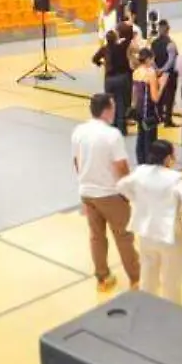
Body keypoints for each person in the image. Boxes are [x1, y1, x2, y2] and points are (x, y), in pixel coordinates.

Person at [72, 94, 140, 291]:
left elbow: (76, 161)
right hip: (110, 193)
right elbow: (121, 166)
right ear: (107, 110)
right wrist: (128, 191)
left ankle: (103, 277)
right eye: (113, 106)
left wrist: (83, 183)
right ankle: (136, 278)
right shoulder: (112, 135)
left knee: (96, 236)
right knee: (124, 236)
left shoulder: (79, 131)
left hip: (87, 192)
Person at [117, 139, 182, 305]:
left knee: (148, 276)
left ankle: (147, 310)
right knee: (171, 281)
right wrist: (179, 213)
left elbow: (121, 185)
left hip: (146, 233)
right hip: (170, 236)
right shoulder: (175, 177)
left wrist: (137, 200)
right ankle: (170, 315)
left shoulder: (141, 171)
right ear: (167, 158)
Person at [92, 27, 135, 137]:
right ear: (116, 38)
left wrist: (101, 64)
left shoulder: (104, 49)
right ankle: (122, 129)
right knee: (122, 103)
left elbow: (94, 59)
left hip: (109, 80)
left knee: (111, 103)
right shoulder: (121, 47)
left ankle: (112, 126)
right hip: (121, 78)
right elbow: (129, 38)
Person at [132, 46, 166, 166]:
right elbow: (155, 98)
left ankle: (140, 162)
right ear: (148, 60)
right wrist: (162, 85)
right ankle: (150, 164)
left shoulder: (136, 72)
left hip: (139, 111)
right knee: (150, 140)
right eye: (152, 60)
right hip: (149, 112)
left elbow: (135, 94)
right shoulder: (150, 73)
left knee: (140, 137)